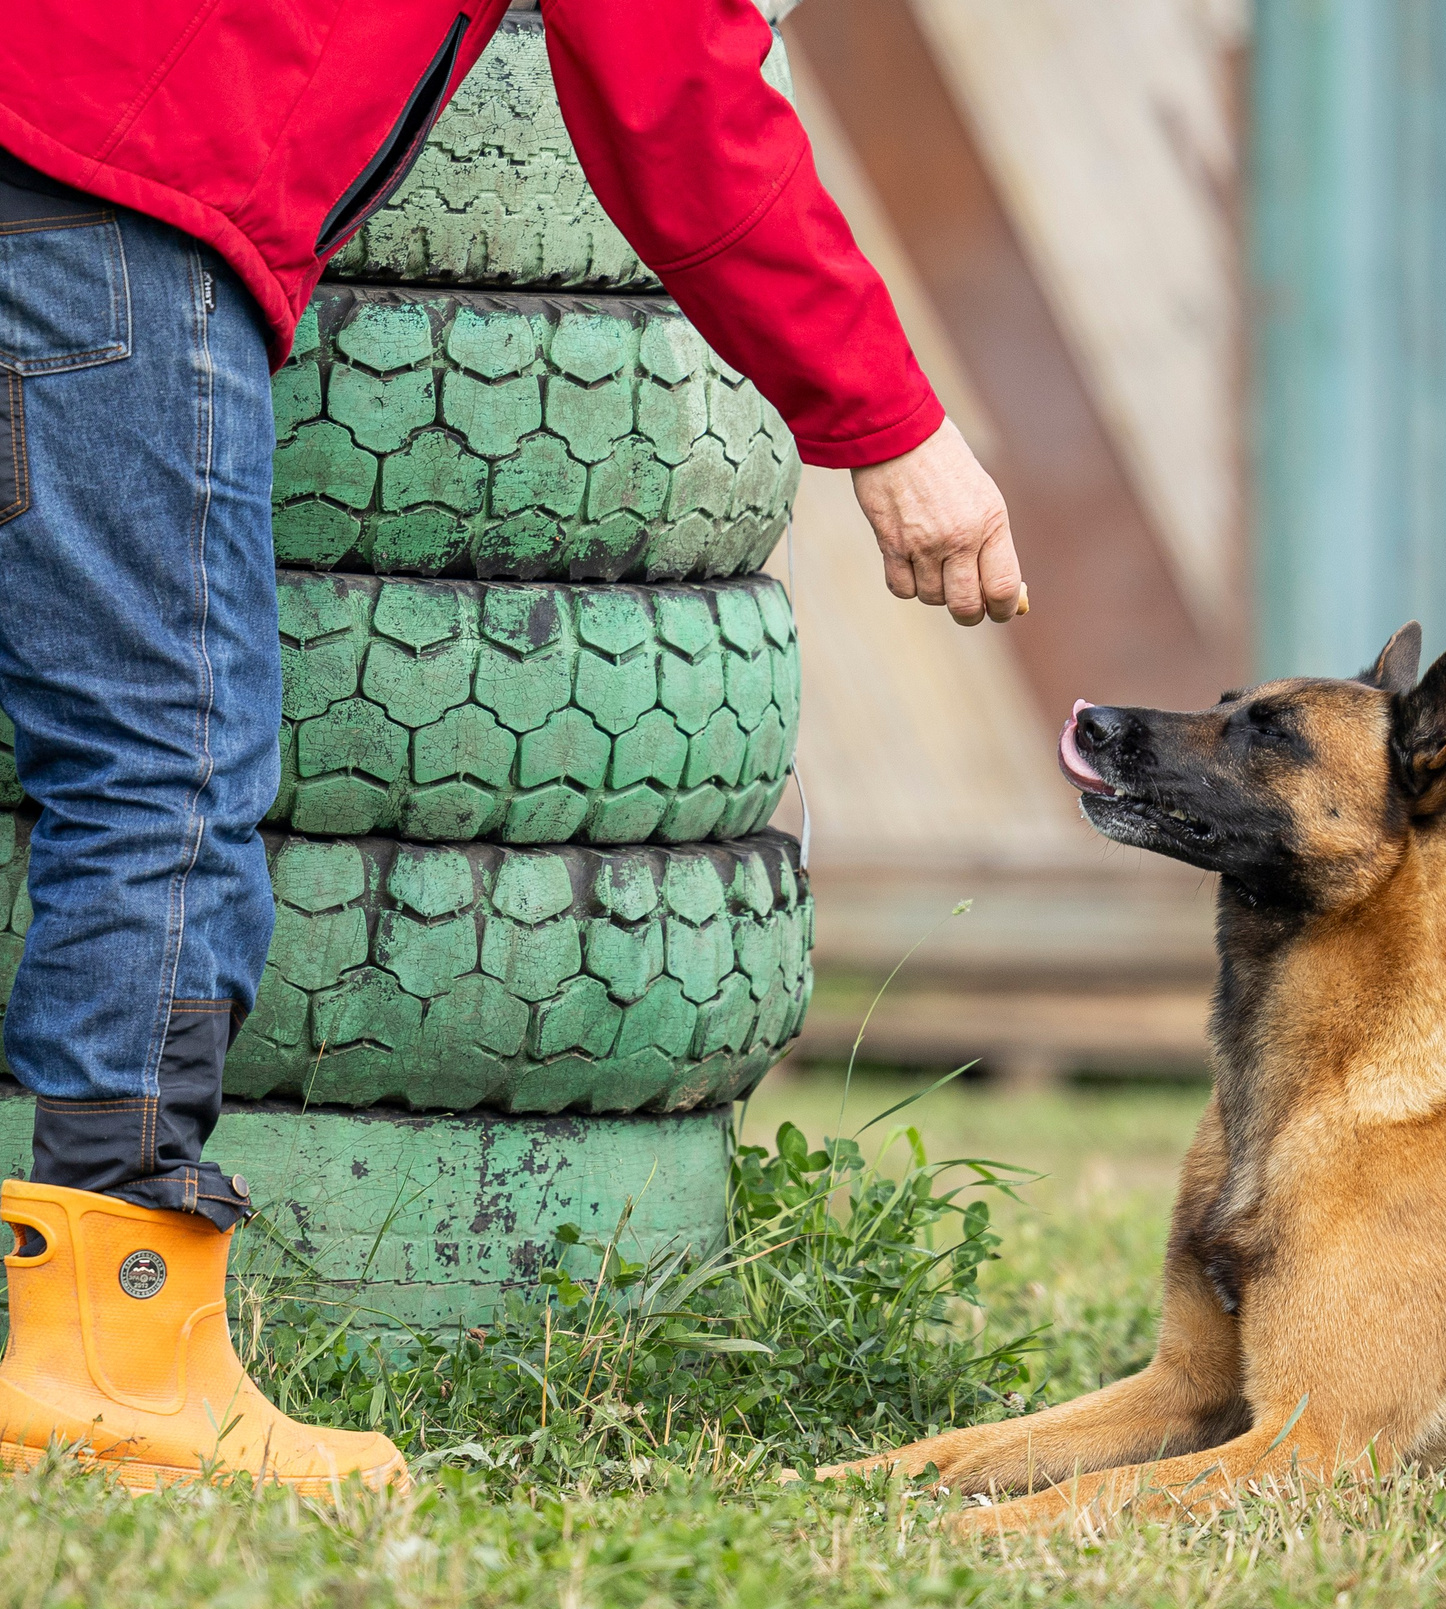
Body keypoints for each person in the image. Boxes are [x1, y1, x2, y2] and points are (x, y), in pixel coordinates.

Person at [0, 0, 1018, 1493]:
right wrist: (890, 427)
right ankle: (110, 1354)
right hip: (96, 205)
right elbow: (679, 106)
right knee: (160, 756)